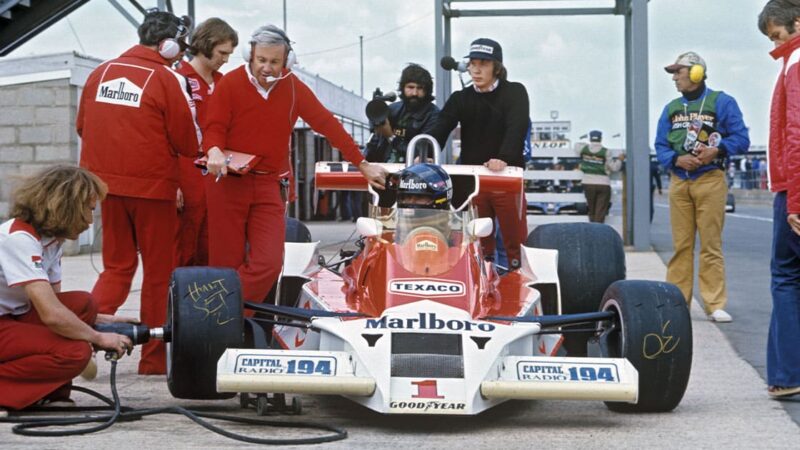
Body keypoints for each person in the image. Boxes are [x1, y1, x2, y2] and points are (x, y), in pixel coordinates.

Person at [203, 24, 386, 305]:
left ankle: (221, 312)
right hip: (227, 183)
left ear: (287, 61)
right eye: (261, 60)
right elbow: (214, 125)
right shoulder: (229, 84)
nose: (267, 68)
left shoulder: (294, 88)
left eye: (275, 62)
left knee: (269, 263)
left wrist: (361, 163)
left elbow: (328, 125)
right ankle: (227, 325)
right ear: (249, 56)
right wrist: (213, 149)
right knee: (224, 265)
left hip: (268, 185)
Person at [77, 10, 201, 374]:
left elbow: (82, 126)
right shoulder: (167, 79)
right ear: (168, 44)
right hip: (153, 190)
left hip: (105, 188)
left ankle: (83, 339)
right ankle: (152, 361)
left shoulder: (99, 73)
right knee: (159, 273)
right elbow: (188, 142)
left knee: (116, 267)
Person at [0, 166, 134, 414]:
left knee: (84, 304)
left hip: (11, 318)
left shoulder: (51, 241)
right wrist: (98, 337)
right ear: (66, 206)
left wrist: (99, 321)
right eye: (88, 210)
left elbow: (55, 304)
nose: (89, 221)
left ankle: (52, 394)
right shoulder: (19, 239)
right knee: (75, 352)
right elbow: (51, 315)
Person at [654, 51, 750, 322]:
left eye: (678, 72)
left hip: (710, 180)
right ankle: (677, 302)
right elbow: (660, 144)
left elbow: (741, 139)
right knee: (681, 245)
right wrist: (675, 159)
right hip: (679, 181)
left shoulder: (722, 102)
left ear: (695, 73)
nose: (674, 78)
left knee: (711, 245)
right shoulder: (671, 108)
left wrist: (717, 151)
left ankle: (714, 303)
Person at [431, 38, 529, 270]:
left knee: (512, 244)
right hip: (474, 180)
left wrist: (503, 157)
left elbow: (517, 128)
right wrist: (424, 151)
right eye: (473, 63)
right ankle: (482, 287)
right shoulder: (461, 98)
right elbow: (440, 127)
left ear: (497, 67)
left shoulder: (515, 92)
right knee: (478, 242)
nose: (476, 69)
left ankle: (513, 287)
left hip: (506, 178)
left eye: (483, 64)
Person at [758, 0, 800, 398]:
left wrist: (795, 203)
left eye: (776, 35)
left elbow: (796, 133)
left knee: (787, 278)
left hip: (793, 188)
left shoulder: (795, 62)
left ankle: (787, 374)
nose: (774, 43)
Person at [175, 18, 238, 267]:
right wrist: (172, 184)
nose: (225, 59)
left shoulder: (225, 83)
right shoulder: (177, 79)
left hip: (218, 175)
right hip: (187, 171)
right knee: (184, 245)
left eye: (230, 54)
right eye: (222, 53)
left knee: (214, 245)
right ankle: (177, 301)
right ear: (206, 44)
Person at [365, 63, 440, 163]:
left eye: (420, 88)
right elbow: (375, 142)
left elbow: (421, 154)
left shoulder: (433, 115)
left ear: (427, 90)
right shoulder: (392, 109)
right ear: (403, 88)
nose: (415, 93)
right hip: (384, 170)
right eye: (410, 87)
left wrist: (390, 136)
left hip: (412, 174)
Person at [574, 130, 624, 223]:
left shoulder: (583, 149)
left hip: (588, 183)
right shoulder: (606, 152)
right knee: (600, 212)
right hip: (603, 183)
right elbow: (614, 167)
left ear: (590, 138)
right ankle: (598, 232)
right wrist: (620, 160)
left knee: (591, 210)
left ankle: (593, 231)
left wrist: (586, 144)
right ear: (601, 139)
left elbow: (576, 145)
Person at [650, 156, 663, 222]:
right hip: (650, 187)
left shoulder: (639, 165)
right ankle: (650, 218)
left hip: (640, 187)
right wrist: (660, 188)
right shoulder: (653, 165)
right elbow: (657, 178)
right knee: (650, 203)